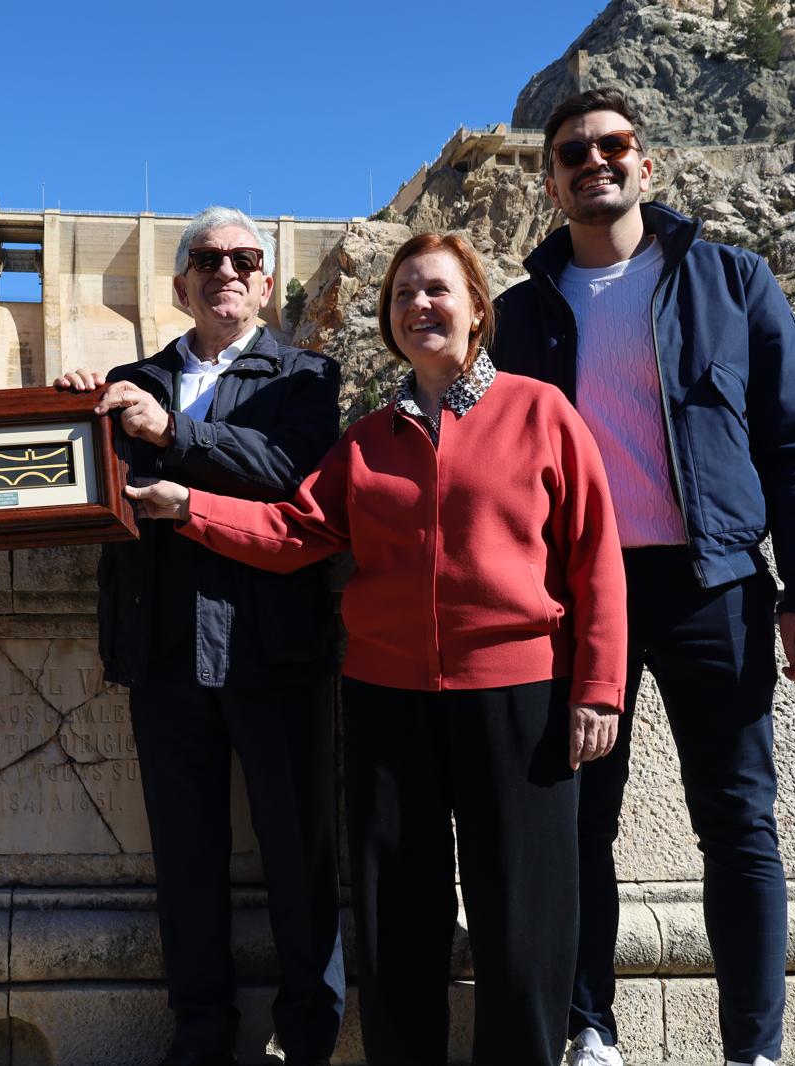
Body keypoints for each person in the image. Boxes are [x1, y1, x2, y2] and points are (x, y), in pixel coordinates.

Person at [128, 231, 628, 1066]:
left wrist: (598, 687)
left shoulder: (540, 412)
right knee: (397, 921)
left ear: (477, 310)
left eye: (436, 291)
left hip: (518, 698)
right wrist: (188, 509)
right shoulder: (366, 439)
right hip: (386, 700)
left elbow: (593, 557)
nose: (417, 306)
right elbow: (294, 530)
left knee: (522, 921)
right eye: (402, 295)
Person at [491, 87, 795, 1066]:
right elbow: (477, 458)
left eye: (614, 146)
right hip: (575, 600)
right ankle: (591, 1032)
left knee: (738, 824)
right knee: (576, 825)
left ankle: (754, 1050)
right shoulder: (519, 317)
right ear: (553, 178)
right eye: (573, 151)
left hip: (715, 584)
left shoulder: (731, 281)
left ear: (646, 165)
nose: (594, 161)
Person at [55, 206, 344, 1066]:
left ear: (264, 282)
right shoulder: (131, 376)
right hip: (165, 652)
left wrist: (170, 432)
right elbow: (78, 483)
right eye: (206, 258)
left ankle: (307, 1038)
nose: (224, 270)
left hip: (275, 653)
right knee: (185, 865)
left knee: (299, 860)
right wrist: (71, 415)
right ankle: (201, 1036)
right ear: (179, 285)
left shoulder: (303, 378)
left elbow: (291, 477)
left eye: (243, 258)